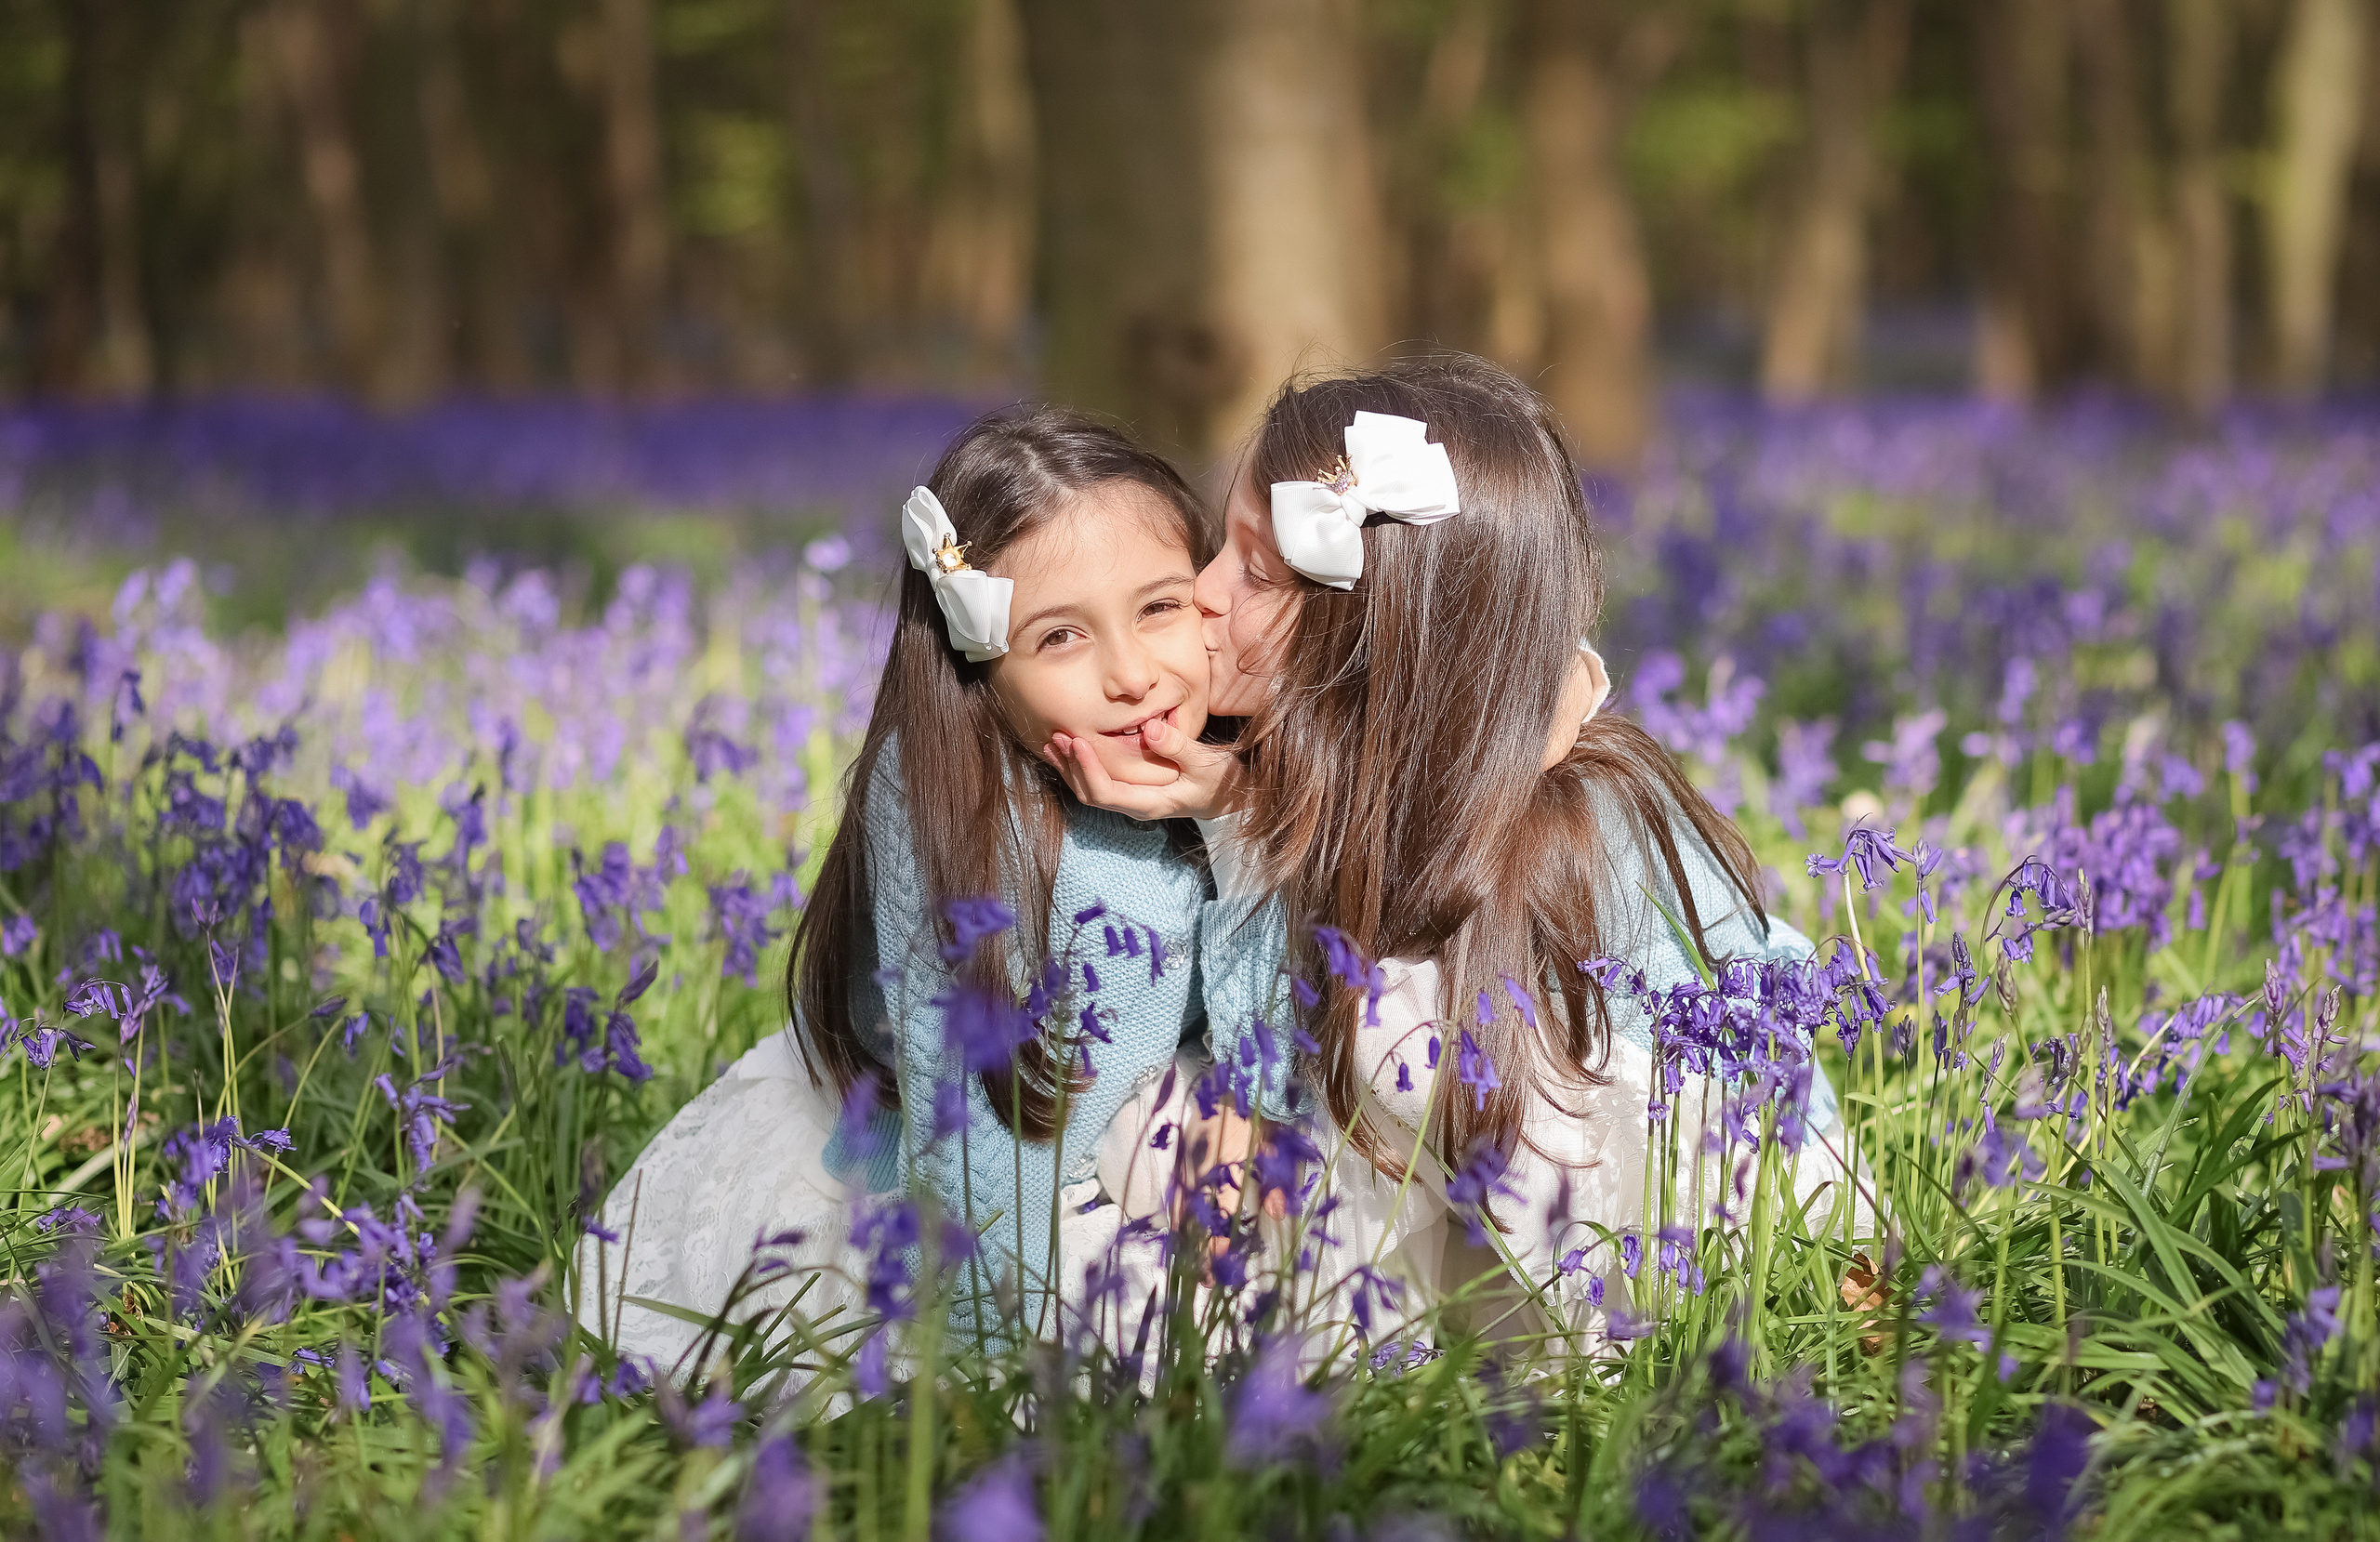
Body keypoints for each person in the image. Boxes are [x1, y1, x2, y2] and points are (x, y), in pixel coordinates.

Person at [1044, 355, 1854, 1358]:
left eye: (1251, 570)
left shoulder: (1577, 822)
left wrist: (1835, 1248)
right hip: (1435, 1187)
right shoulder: (1259, 774)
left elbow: (1752, 1058)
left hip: (1630, 1215)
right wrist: (1240, 816)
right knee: (1163, 1127)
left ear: (1377, 638)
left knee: (1392, 1025)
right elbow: (1270, 1067)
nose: (1201, 593)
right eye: (1220, 546)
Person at [578, 408, 1226, 1371]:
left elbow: (1274, 1026)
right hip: (971, 1186)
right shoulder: (948, 800)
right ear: (977, 662)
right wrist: (992, 1370)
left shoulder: (1236, 750)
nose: (1133, 675)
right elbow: (973, 1133)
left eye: (1160, 608)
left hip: (1144, 1143)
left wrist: (1234, 811)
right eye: (1058, 638)